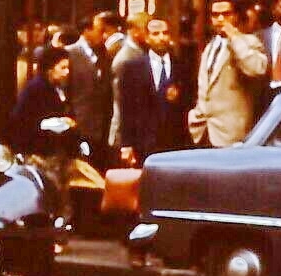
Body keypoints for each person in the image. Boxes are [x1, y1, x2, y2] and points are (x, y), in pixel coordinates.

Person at [9, 48, 81, 224]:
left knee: (59, 193)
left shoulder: (61, 90)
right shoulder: (35, 89)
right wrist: (51, 124)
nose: (67, 72)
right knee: (47, 192)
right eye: (62, 68)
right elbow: (22, 121)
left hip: (57, 152)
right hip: (40, 153)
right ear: (50, 69)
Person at [188, 0, 268, 148]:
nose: (220, 19)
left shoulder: (249, 42)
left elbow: (256, 69)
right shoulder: (210, 46)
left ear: (236, 16)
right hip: (203, 130)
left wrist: (234, 37)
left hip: (231, 134)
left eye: (226, 14)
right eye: (215, 15)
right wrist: (195, 114)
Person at [118, 17, 189, 164]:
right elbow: (126, 108)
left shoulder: (182, 66)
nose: (161, 38)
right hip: (144, 141)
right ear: (147, 37)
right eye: (155, 34)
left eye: (165, 33)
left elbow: (188, 103)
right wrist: (126, 144)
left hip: (176, 141)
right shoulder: (132, 68)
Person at [65, 13, 116, 166]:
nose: (104, 36)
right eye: (100, 31)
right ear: (87, 31)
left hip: (102, 125)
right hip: (81, 123)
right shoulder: (69, 53)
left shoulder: (105, 54)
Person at [107, 11, 150, 151]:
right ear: (135, 31)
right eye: (147, 29)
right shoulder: (126, 58)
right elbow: (122, 101)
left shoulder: (141, 52)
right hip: (127, 130)